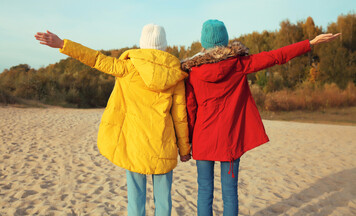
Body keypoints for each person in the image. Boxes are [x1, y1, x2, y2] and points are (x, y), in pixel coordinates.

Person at [181, 19, 340, 216]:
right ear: (225, 40)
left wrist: (186, 143)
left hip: (203, 139)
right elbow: (276, 56)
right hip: (230, 140)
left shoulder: (193, 72)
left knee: (204, 192)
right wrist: (310, 43)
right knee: (230, 193)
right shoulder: (238, 64)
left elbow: (190, 109)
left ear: (203, 42)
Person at [35, 24, 191, 216]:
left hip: (134, 145)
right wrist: (184, 149)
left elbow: (96, 59)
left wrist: (62, 44)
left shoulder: (127, 67)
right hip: (163, 145)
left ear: (142, 44)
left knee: (135, 201)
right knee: (163, 202)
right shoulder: (174, 74)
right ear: (164, 46)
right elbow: (180, 117)